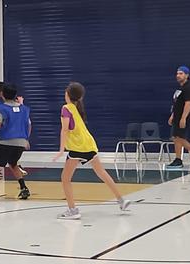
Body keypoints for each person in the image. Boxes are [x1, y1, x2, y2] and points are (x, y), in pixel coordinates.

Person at [52, 82, 132, 220]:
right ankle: (121, 201)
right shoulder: (77, 108)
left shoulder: (66, 108)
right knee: (102, 173)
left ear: (68, 94)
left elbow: (64, 129)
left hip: (77, 148)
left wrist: (61, 149)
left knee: (65, 179)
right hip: (89, 145)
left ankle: (73, 210)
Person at [0, 84, 32, 202]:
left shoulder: (1, 109)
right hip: (21, 142)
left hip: (7, 141)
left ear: (2, 94)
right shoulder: (24, 109)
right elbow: (28, 124)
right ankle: (24, 188)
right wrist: (26, 139)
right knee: (13, 164)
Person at [167, 66, 190, 169]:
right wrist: (172, 116)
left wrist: (183, 118)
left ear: (187, 75)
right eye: (177, 73)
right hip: (177, 116)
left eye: (181, 73)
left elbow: (188, 104)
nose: (178, 75)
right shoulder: (180, 88)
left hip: (183, 117)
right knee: (175, 138)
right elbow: (176, 104)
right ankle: (178, 160)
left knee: (178, 137)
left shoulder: (188, 88)